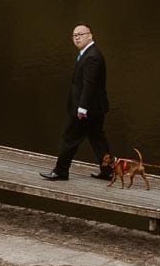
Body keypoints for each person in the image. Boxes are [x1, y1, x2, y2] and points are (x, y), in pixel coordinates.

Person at [42, 23, 112, 181]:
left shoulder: (92, 56)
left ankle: (61, 171)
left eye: (81, 34)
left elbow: (90, 85)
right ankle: (109, 170)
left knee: (69, 138)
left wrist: (82, 108)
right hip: (95, 109)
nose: (77, 37)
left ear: (90, 35)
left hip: (86, 110)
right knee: (97, 139)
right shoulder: (87, 53)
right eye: (74, 35)